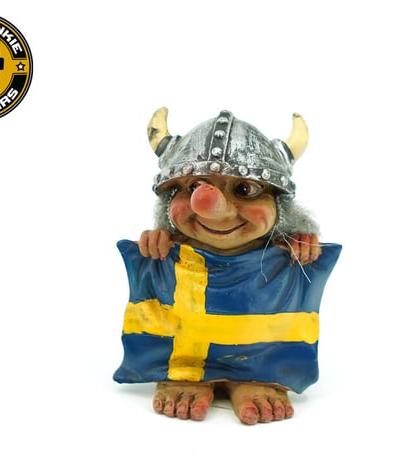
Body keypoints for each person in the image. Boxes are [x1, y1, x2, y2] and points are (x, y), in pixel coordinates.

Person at [114, 109, 341, 425]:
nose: (213, 209)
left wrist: (299, 244)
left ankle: (256, 375)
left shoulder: (284, 254)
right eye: (195, 186)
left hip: (262, 350)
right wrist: (158, 243)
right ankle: (187, 370)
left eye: (244, 189)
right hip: (185, 346)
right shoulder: (168, 251)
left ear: (278, 204)